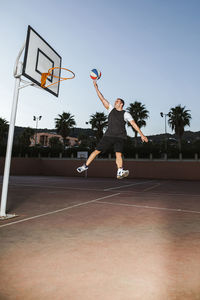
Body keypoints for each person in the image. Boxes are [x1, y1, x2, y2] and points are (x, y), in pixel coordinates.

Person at [77, 81, 148, 179]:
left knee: (118, 154)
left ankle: (119, 171)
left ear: (121, 104)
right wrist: (96, 87)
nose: (115, 102)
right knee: (96, 151)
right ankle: (85, 166)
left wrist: (142, 135)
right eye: (115, 101)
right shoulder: (110, 109)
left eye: (117, 101)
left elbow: (133, 124)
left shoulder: (126, 114)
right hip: (108, 136)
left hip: (120, 137)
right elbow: (102, 98)